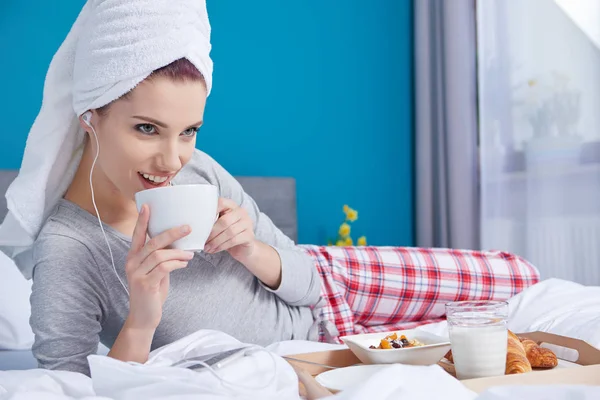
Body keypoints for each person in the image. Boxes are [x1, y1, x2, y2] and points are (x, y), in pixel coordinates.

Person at [0, 1, 540, 377]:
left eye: (188, 131)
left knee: (517, 281)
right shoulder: (69, 248)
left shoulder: (202, 172)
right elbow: (66, 386)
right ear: (91, 117)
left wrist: (251, 249)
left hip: (334, 286)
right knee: (485, 336)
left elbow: (307, 286)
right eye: (147, 129)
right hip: (317, 353)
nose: (171, 161)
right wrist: (143, 316)